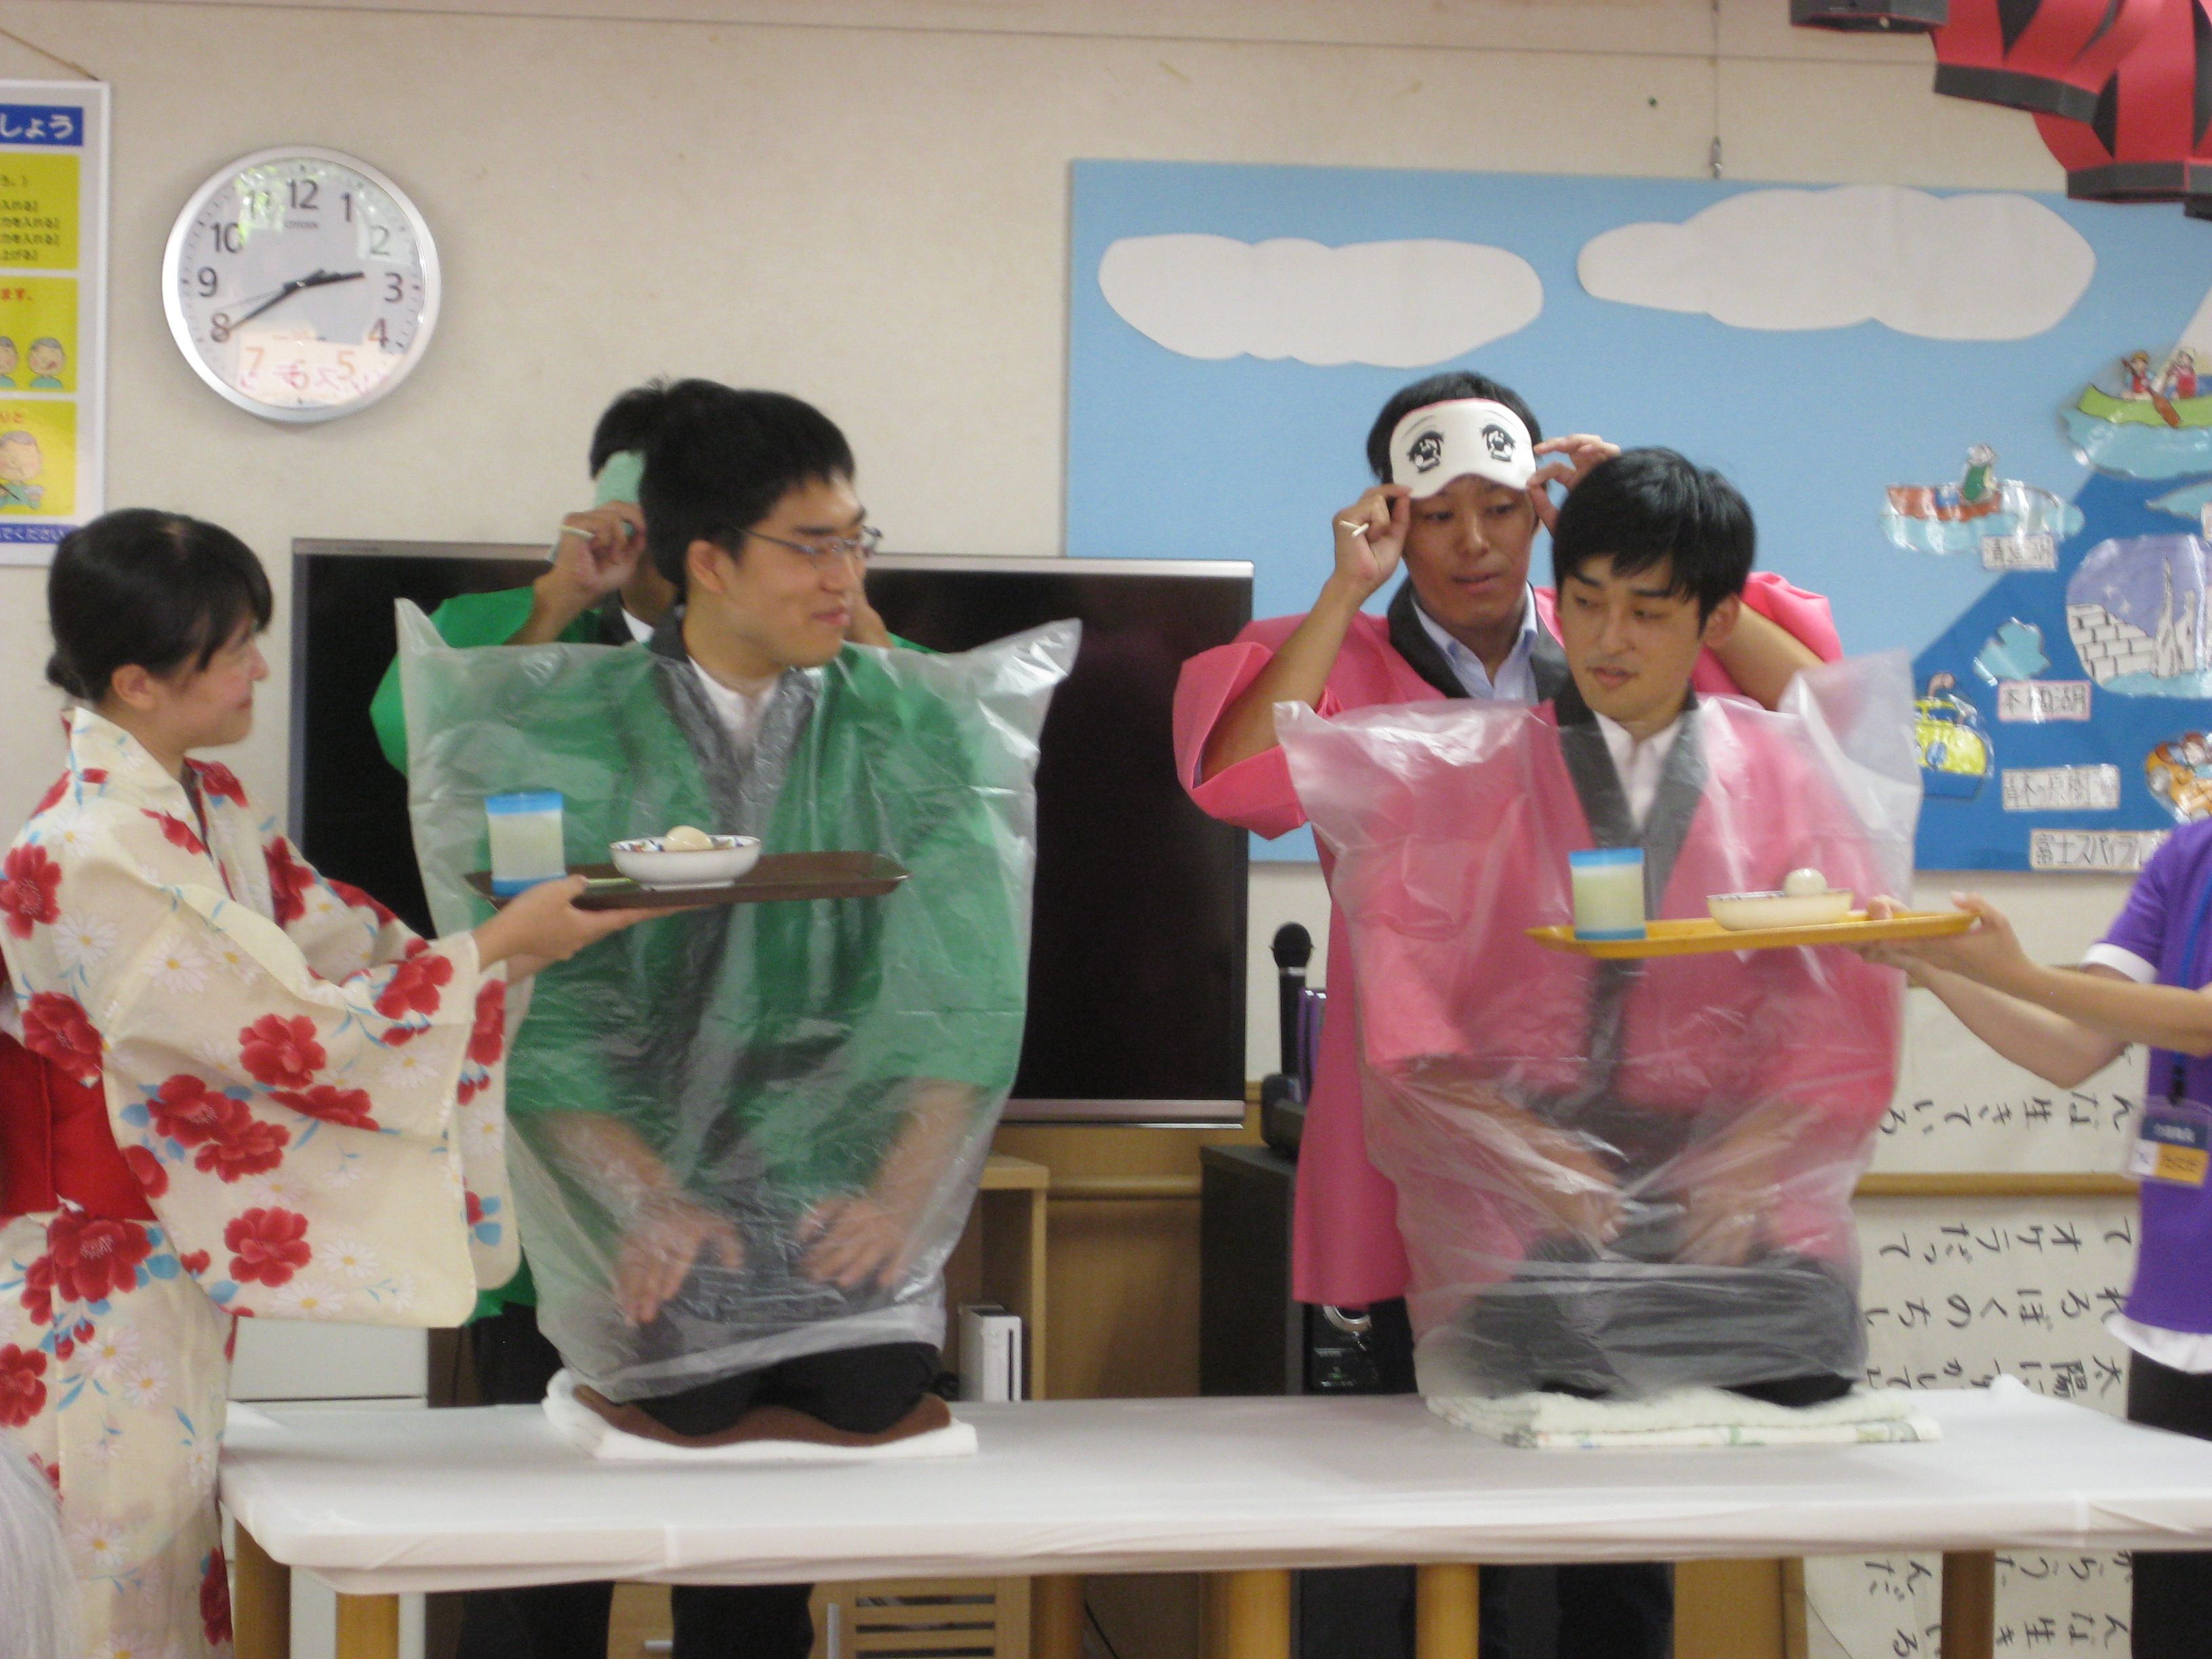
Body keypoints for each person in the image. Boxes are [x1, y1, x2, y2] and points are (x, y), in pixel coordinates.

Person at [397, 381, 1068, 1659]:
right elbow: (545, 1013)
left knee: (783, 1544)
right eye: (810, 547)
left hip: (829, 1217)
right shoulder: (565, 728)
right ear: (706, 560)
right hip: (614, 1228)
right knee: (544, 1588)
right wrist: (642, 1199)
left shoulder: (909, 727)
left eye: (855, 541)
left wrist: (898, 1200)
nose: (844, 577)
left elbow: (966, 986)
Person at [1172, 378, 1840, 1659]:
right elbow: (1237, 785)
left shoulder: (1614, 634)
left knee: (1617, 1518)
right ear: (1390, 518)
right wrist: (1342, 593)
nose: (1473, 542)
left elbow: (1821, 714)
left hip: (1619, 1126)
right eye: (1436, 515)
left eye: (1501, 506)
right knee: (1418, 1510)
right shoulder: (1344, 654)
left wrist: (1648, 540)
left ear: (1542, 507)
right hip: (1416, 1117)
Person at [0, 510, 659, 1658]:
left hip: (155, 1261)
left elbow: (348, 947)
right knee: (108, 1573)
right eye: (233, 650)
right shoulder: (89, 845)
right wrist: (491, 953)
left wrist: (503, 944)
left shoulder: (206, 803)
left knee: (165, 1555)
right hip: (84, 1274)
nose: (260, 669)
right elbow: (288, 1030)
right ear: (138, 683)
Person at [1861, 860, 2212, 1659]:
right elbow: (2069, 1048)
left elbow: (2201, 1025)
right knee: (2179, 1620)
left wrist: (2012, 970)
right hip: (2176, 1318)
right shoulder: (2186, 857)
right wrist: (1934, 964)